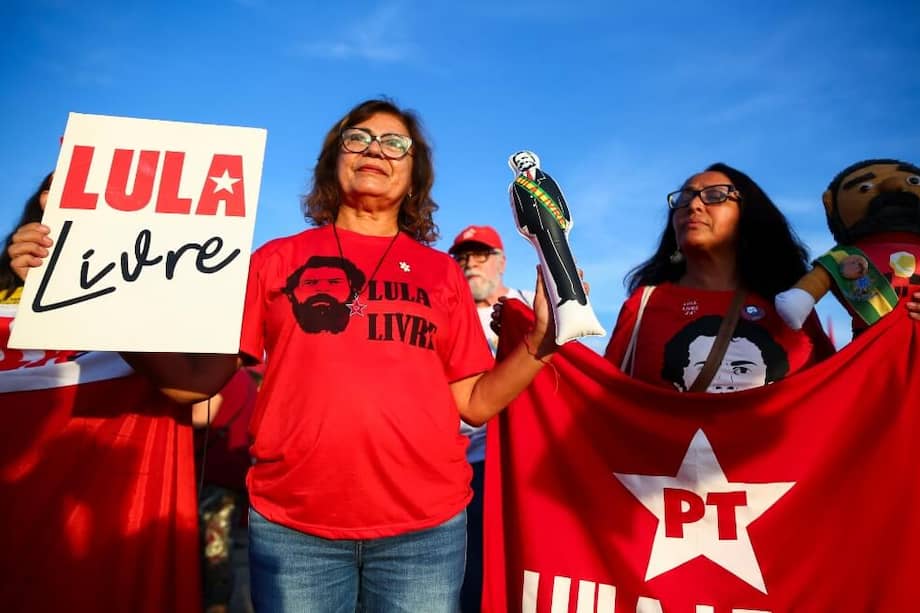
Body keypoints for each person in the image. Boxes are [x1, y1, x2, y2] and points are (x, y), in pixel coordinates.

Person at [7, 99, 559, 612]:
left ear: (415, 176)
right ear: (329, 163)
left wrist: (540, 340)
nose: (375, 150)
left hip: (426, 531)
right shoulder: (270, 261)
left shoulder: (442, 273)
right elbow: (191, 385)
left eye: (396, 145)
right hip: (294, 533)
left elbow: (474, 403)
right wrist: (82, 289)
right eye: (358, 138)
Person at [1, 173, 202, 612]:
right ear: (43, 199)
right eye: (58, 185)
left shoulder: (156, 294)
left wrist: (85, 283)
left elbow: (198, 382)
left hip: (113, 530)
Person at [604, 163, 835, 392]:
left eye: (715, 196)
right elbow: (600, 400)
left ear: (747, 215)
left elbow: (836, 390)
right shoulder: (644, 304)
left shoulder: (788, 304)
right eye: (685, 198)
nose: (694, 205)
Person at [447, 224, 533, 613]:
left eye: (479, 256)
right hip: (454, 459)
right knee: (460, 564)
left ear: (501, 262)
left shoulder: (531, 306)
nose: (469, 265)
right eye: (462, 257)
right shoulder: (446, 312)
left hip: (517, 462)